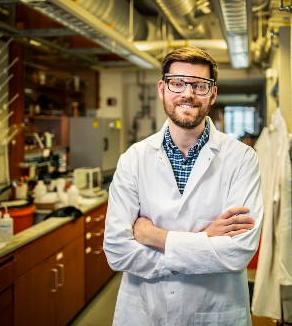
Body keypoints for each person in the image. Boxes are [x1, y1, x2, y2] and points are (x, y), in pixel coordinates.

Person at [103, 47, 263, 326]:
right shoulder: (133, 159)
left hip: (215, 313)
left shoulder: (242, 158)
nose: (187, 93)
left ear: (212, 94)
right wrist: (204, 241)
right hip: (144, 313)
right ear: (162, 89)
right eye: (177, 83)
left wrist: (153, 236)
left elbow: (238, 252)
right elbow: (117, 251)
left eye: (199, 85)